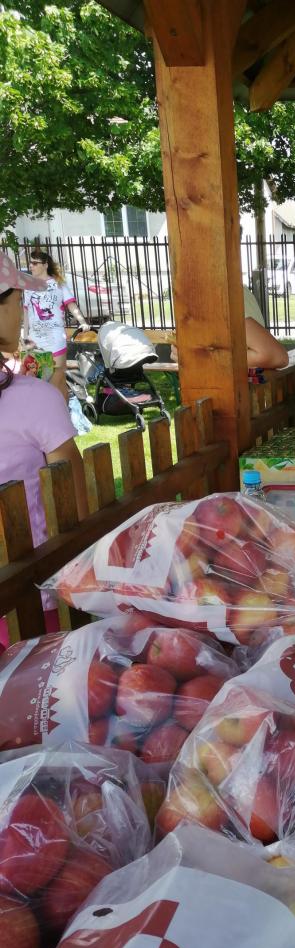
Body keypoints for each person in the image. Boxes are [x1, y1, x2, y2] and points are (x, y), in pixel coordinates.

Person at [0, 252, 89, 651]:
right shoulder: (36, 399)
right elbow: (75, 509)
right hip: (35, 600)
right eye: (18, 301)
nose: (23, 313)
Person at [22, 249, 90, 399]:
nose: (31, 266)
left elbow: (71, 305)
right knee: (41, 383)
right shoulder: (28, 287)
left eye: (35, 263)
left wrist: (82, 322)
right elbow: (26, 313)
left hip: (55, 340)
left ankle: (61, 411)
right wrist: (25, 336)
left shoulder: (58, 284)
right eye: (30, 263)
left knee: (57, 382)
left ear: (45, 265)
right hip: (35, 342)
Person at [170, 285, 289, 371]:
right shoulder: (221, 289)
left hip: (234, 391)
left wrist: (201, 358)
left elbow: (274, 356)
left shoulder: (222, 292)